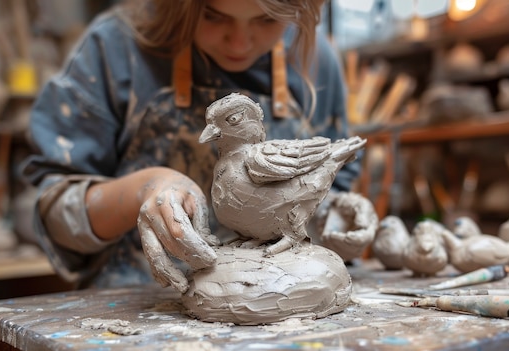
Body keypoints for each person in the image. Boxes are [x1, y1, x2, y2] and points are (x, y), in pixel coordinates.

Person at [21, 0, 377, 290]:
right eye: (212, 14)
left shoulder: (312, 58)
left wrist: (343, 218)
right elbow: (55, 216)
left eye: (267, 19)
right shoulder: (116, 48)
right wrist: (143, 189)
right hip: (139, 306)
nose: (240, 42)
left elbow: (331, 197)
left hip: (278, 296)